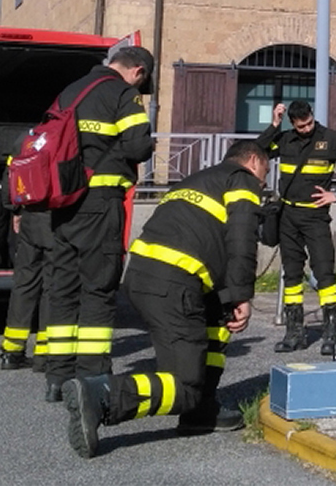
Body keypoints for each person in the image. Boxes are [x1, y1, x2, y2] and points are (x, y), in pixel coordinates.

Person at [62, 140, 267, 459]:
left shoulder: (195, 180)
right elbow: (242, 240)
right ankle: (104, 395)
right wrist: (242, 296)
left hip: (146, 275)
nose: (263, 185)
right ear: (253, 161)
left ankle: (202, 412)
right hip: (174, 282)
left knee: (216, 323)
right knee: (185, 385)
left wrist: (226, 300)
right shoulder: (242, 180)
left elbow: (209, 241)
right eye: (264, 175)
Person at [41, 46, 156, 401]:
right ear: (137, 71)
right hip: (101, 204)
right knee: (98, 288)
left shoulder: (70, 91)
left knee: (63, 288)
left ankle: (57, 377)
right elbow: (138, 148)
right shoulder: (124, 94)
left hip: (63, 206)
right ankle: (92, 375)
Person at [255, 100, 336, 359]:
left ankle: (332, 333)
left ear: (312, 117)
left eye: (309, 123)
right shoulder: (285, 139)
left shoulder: (333, 139)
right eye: (300, 126)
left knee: (325, 273)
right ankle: (294, 333)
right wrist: (274, 124)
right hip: (288, 215)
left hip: (315, 216)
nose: (306, 128)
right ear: (292, 123)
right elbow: (258, 150)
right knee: (291, 275)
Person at [0, 206, 51, 371]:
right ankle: (44, 354)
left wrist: (15, 211)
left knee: (25, 283)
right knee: (52, 285)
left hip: (29, 215)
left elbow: (11, 183)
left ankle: (11, 352)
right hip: (55, 218)